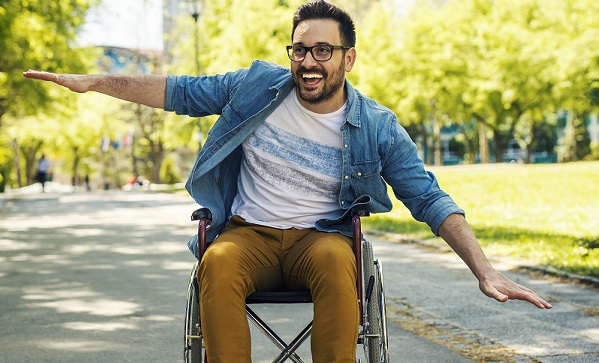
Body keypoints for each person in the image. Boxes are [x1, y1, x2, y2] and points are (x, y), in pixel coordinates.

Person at [23, 1, 552, 361]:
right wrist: (96, 83)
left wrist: (485, 270)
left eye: (323, 50)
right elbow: (178, 90)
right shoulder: (255, 87)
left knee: (335, 258)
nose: (309, 62)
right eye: (300, 49)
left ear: (348, 57)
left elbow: (429, 199)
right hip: (247, 234)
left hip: (319, 238)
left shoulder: (377, 126)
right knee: (219, 260)